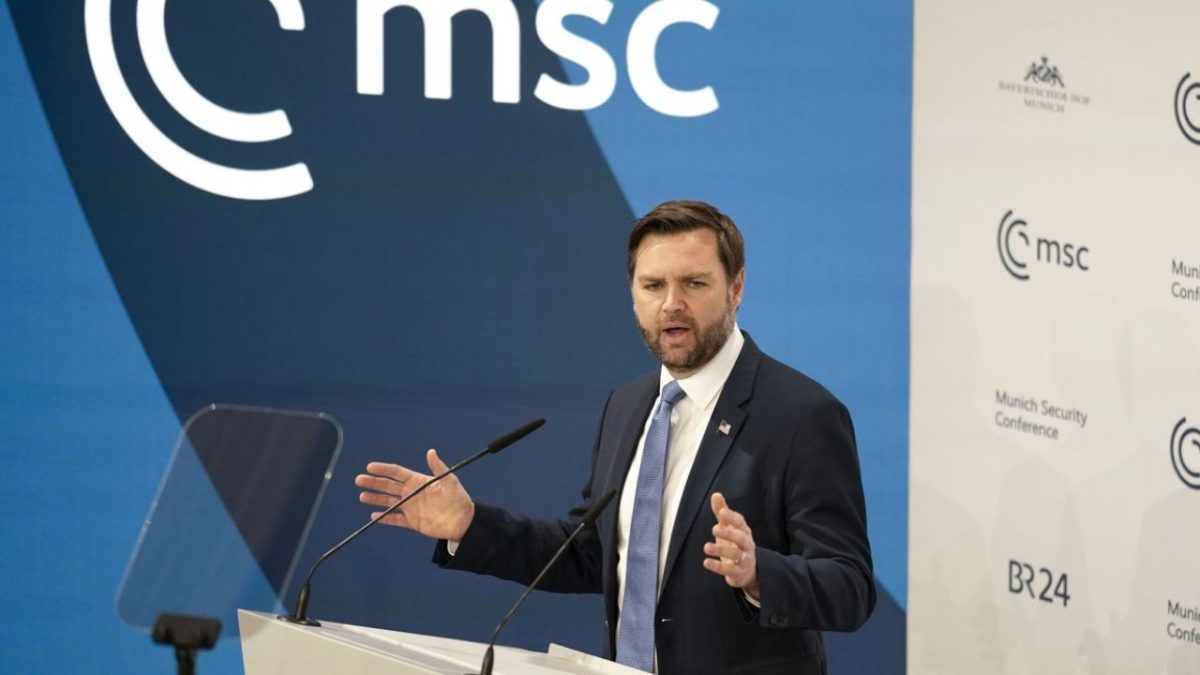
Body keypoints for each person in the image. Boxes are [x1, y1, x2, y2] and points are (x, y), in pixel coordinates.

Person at [356, 200, 875, 674]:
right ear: (633, 296)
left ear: (736, 289)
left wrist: (760, 573)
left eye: (694, 284)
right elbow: (595, 552)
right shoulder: (628, 407)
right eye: (653, 286)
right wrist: (470, 526)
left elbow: (850, 587)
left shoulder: (801, 414)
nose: (671, 304)